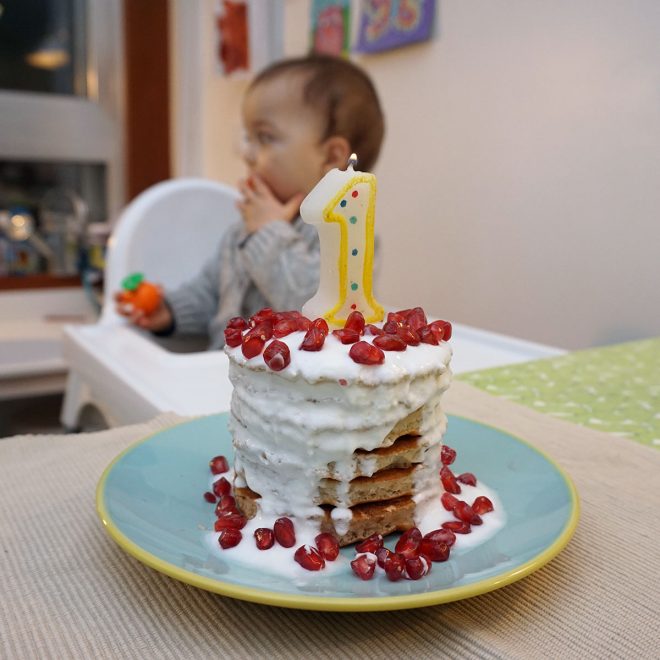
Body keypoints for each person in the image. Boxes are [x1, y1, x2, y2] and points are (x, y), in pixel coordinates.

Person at [117, 54, 385, 349]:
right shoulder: (241, 232)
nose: (247, 153)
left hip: (286, 389)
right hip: (219, 379)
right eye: (250, 138)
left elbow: (316, 309)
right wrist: (168, 312)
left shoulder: (350, 236)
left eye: (265, 137)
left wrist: (267, 232)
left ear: (332, 157)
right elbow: (209, 295)